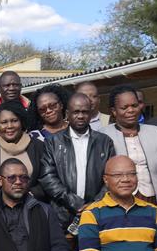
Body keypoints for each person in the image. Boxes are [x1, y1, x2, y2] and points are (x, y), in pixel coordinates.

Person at [40, 92, 116, 232]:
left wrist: (93, 205)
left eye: (85, 112)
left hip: (98, 213)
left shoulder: (104, 142)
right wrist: (74, 202)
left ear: (91, 114)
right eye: (76, 112)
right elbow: (47, 177)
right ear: (67, 114)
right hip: (63, 215)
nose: (80, 116)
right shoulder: (52, 142)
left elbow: (111, 176)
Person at [97, 85, 157, 209]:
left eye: (134, 106)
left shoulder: (155, 132)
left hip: (154, 201)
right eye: (124, 107)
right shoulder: (103, 135)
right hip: (116, 205)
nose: (131, 110)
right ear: (114, 111)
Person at [0, 100, 46, 202]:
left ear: (21, 121)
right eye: (4, 122)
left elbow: (46, 177)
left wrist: (31, 194)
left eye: (14, 120)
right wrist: (7, 197)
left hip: (32, 205)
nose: (9, 126)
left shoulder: (38, 146)